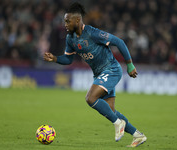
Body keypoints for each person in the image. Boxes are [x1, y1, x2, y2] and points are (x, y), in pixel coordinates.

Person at [44, 2, 147, 148]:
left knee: (90, 98)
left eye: (68, 21)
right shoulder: (70, 38)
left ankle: (118, 123)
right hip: (99, 73)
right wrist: (54, 58)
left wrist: (129, 64)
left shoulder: (93, 33)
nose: (65, 24)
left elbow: (119, 42)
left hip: (111, 69)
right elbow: (68, 59)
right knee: (110, 111)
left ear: (77, 20)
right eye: (65, 21)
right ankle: (138, 135)